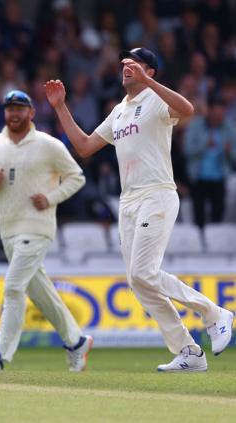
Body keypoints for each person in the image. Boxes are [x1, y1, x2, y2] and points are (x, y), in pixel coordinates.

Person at [45, 47, 234, 372]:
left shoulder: (157, 99)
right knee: (137, 280)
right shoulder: (120, 110)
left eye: (136, 64)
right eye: (125, 63)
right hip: (129, 201)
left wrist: (150, 82)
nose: (127, 67)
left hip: (157, 194)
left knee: (145, 273)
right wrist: (61, 107)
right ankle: (188, 351)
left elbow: (187, 109)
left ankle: (214, 313)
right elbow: (86, 146)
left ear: (151, 71)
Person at [0, 90, 92, 372]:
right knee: (41, 293)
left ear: (31, 113)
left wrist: (50, 198)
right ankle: (76, 341)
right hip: (8, 230)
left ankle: (0, 356)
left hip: (37, 228)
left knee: (13, 287)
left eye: (20, 108)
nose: (14, 113)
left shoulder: (48, 144)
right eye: (10, 108)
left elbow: (77, 177)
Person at [183, 97, 236, 228]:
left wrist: (229, 152)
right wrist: (204, 144)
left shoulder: (229, 127)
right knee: (198, 216)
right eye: (217, 114)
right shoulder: (196, 125)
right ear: (210, 111)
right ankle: (199, 244)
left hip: (219, 177)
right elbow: (187, 150)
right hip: (198, 177)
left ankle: (214, 243)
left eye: (222, 114)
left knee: (218, 214)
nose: (220, 117)